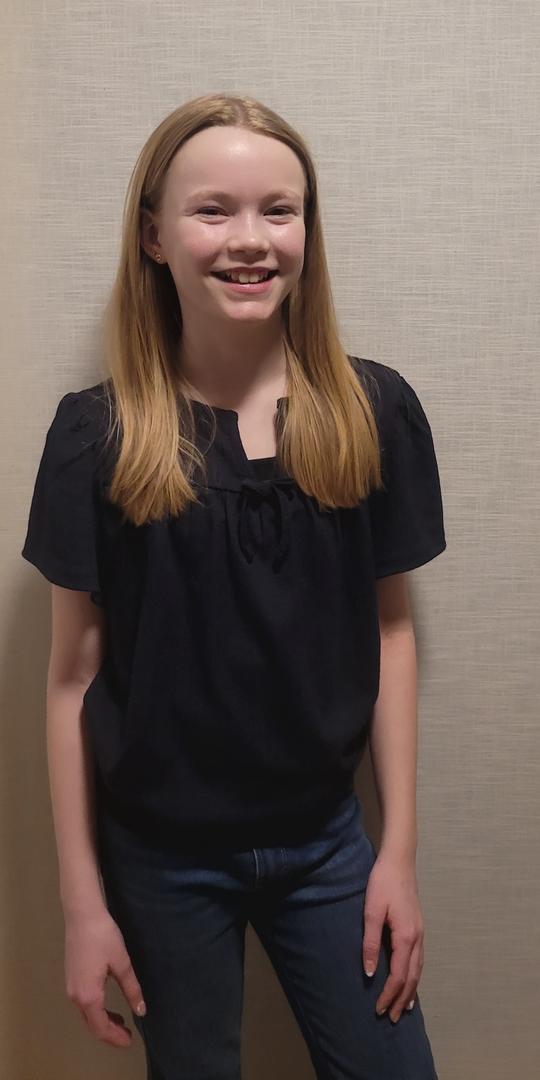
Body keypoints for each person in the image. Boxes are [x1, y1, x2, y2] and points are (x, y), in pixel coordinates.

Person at [21, 93, 446, 1079]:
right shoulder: (96, 436)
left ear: (307, 231)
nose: (250, 239)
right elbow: (72, 677)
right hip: (160, 859)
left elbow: (390, 634)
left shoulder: (372, 411)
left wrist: (397, 854)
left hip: (328, 844)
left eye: (278, 210)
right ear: (154, 237)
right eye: (213, 210)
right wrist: (82, 905)